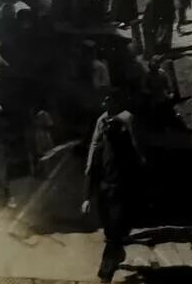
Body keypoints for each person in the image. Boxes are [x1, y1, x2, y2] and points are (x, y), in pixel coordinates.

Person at [82, 102, 143, 282]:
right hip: (104, 196)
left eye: (114, 130)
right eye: (108, 130)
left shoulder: (127, 148)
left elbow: (136, 170)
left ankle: (105, 274)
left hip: (120, 196)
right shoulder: (101, 148)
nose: (111, 133)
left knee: (114, 235)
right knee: (110, 231)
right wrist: (86, 198)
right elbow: (92, 172)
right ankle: (117, 255)